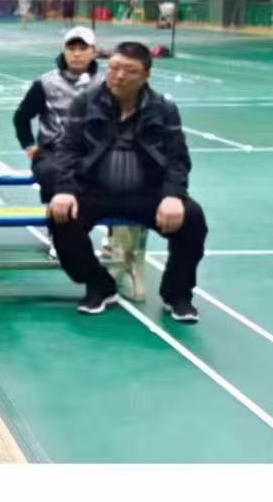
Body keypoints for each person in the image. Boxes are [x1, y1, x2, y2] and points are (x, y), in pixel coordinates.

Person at [45, 42, 207, 321]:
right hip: (95, 191)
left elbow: (178, 158)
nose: (119, 76)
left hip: (149, 193)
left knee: (193, 219)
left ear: (145, 74)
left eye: (129, 70)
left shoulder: (163, 109)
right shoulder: (85, 103)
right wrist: (65, 190)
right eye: (114, 68)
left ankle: (178, 294)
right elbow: (67, 150)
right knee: (60, 218)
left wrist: (173, 195)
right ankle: (99, 284)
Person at [13, 26, 99, 199]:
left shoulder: (105, 83)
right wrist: (29, 145)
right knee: (54, 176)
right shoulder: (46, 83)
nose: (76, 54)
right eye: (71, 49)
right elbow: (22, 117)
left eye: (83, 48)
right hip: (53, 152)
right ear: (64, 51)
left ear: (94, 52)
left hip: (94, 150)